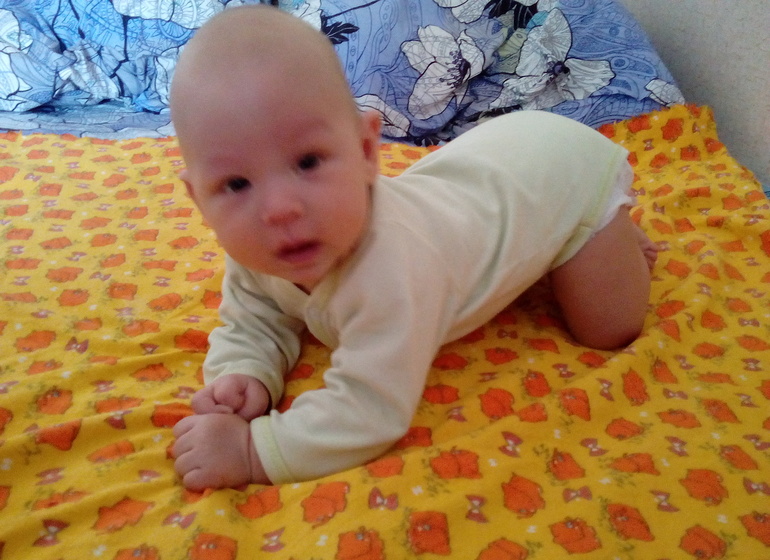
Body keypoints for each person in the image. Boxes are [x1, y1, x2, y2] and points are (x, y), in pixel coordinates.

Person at [170, 5, 659, 490]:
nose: (279, 209)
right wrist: (245, 372)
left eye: (308, 162)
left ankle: (606, 216)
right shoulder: (259, 249)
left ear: (366, 151)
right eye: (236, 184)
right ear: (198, 200)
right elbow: (254, 318)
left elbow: (369, 408)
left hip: (560, 168)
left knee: (609, 328)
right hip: (501, 164)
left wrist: (252, 451)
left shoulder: (388, 268)